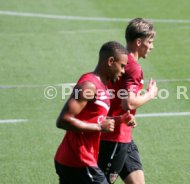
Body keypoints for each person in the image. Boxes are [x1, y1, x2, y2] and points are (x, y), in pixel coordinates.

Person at [54, 41, 135, 184]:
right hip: (79, 160)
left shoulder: (101, 86)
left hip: (75, 160)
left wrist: (119, 119)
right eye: (122, 66)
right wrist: (99, 128)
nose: (123, 71)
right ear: (110, 61)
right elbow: (63, 120)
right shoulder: (88, 86)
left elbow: (94, 118)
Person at [98, 18, 158, 184]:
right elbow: (128, 103)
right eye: (150, 42)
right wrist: (150, 94)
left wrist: (128, 115)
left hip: (123, 133)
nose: (152, 47)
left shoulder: (119, 60)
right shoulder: (133, 67)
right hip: (114, 137)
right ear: (139, 42)